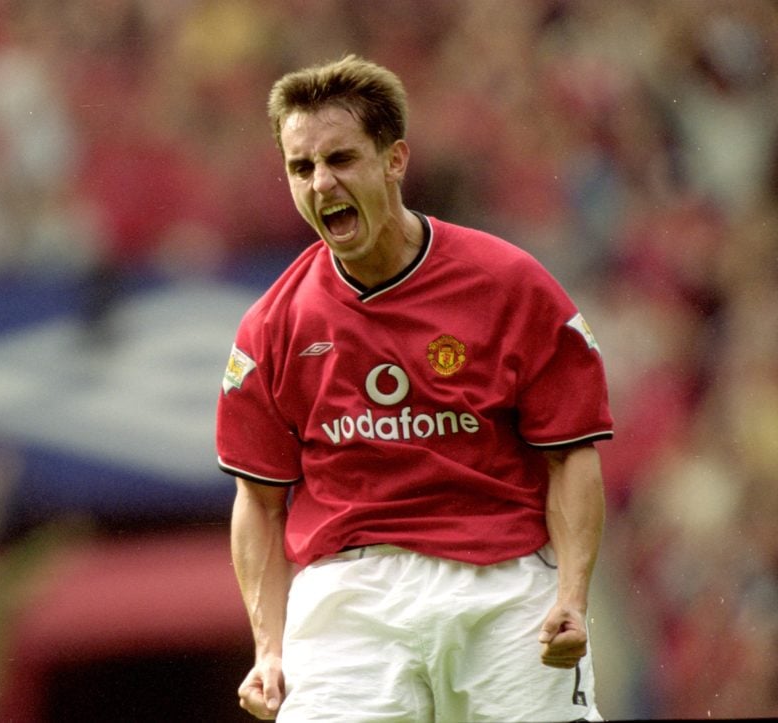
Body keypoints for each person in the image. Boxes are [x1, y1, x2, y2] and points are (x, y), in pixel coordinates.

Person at [216, 55, 613, 722]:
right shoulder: (271, 325)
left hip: (505, 586)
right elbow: (258, 502)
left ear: (395, 159)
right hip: (348, 595)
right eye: (301, 167)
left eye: (341, 158)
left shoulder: (511, 286)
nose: (322, 182)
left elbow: (571, 455)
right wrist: (269, 646)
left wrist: (571, 594)